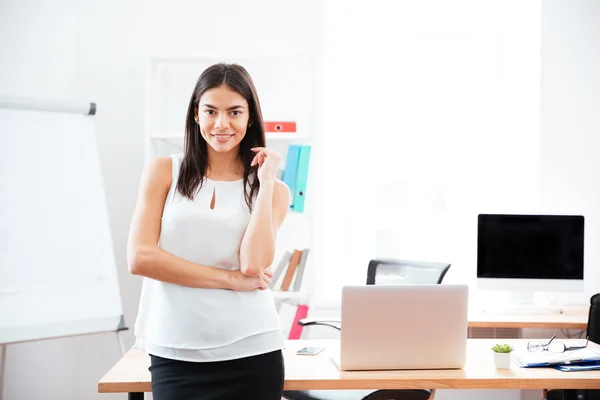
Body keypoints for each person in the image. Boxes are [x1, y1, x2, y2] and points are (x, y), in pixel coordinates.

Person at [127, 63, 291, 400]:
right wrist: (228, 280)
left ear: (250, 118)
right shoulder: (163, 172)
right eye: (211, 111)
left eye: (234, 112)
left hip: (253, 348)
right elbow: (140, 258)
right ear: (196, 115)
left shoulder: (274, 189)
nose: (222, 124)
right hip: (176, 348)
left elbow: (253, 266)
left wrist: (266, 182)